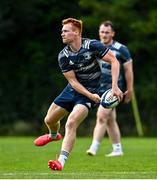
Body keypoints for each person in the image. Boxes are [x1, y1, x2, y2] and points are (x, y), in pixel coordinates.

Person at [34, 18, 123, 171]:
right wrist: (89, 94)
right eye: (62, 31)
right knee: (49, 119)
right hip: (73, 90)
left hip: (92, 91)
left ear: (76, 32)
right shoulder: (63, 55)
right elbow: (73, 82)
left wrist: (114, 87)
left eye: (65, 31)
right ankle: (53, 135)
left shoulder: (92, 45)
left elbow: (114, 61)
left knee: (71, 122)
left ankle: (60, 161)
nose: (62, 33)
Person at [87, 20, 134, 157]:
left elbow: (128, 70)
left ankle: (93, 148)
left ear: (113, 34)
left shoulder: (121, 49)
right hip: (97, 89)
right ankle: (118, 149)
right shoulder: (94, 46)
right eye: (102, 32)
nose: (104, 34)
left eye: (107, 32)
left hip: (113, 90)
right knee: (110, 120)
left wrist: (130, 89)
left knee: (101, 116)